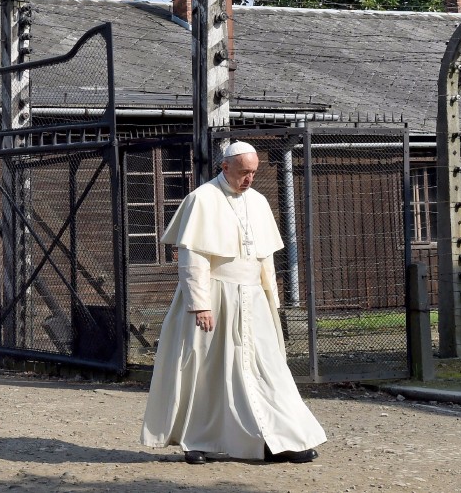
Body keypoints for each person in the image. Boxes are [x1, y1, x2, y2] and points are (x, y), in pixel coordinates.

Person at [140, 141, 326, 465]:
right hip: (215, 295)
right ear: (225, 168)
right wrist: (200, 304)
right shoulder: (202, 199)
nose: (249, 179)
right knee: (207, 370)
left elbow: (264, 257)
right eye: (243, 172)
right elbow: (192, 256)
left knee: (268, 369)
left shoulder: (259, 201)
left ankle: (281, 439)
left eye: (253, 172)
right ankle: (198, 441)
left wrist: (272, 300)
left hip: (252, 297)